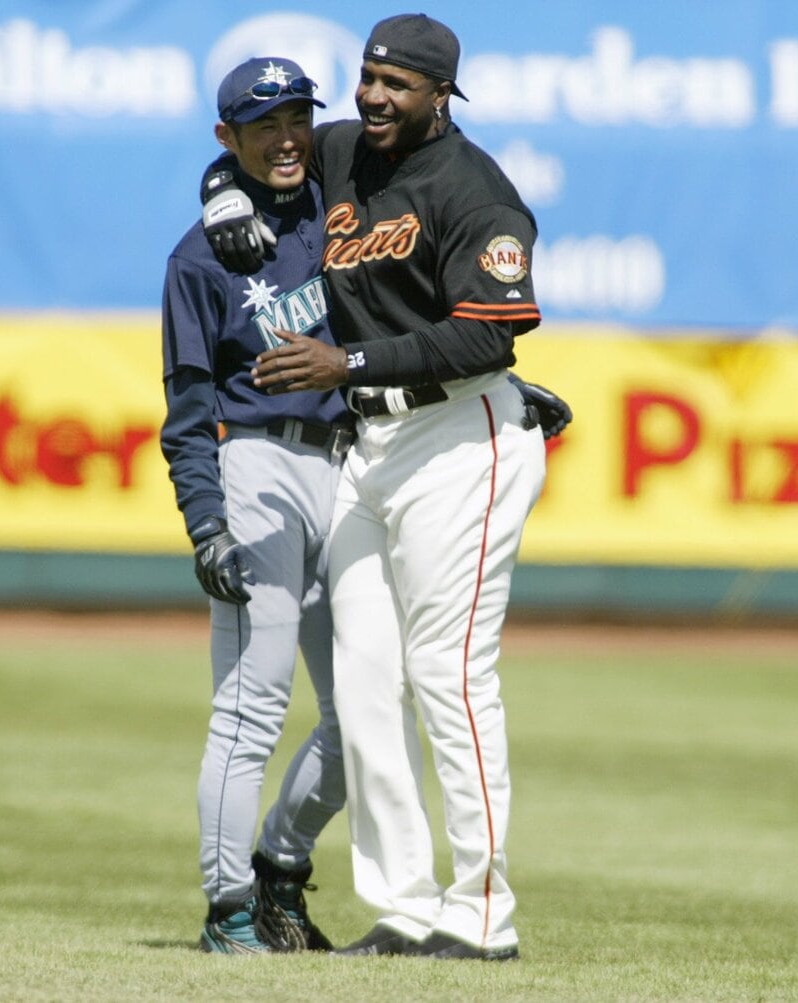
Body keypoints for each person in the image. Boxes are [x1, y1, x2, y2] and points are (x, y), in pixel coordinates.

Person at [199, 14, 570, 962]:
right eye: (368, 78)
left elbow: (491, 331)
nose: (373, 97)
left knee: (450, 674)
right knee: (364, 685)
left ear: (440, 95)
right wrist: (219, 199)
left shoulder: (476, 192)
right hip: (373, 445)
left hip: (460, 435)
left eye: (397, 85)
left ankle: (481, 914)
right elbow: (257, 152)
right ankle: (406, 905)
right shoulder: (345, 150)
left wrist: (344, 360)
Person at [159, 55, 354, 955]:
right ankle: (229, 907)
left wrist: (222, 186)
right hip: (259, 469)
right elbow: (189, 416)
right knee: (252, 704)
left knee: (366, 711)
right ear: (226, 137)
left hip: (351, 468)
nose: (287, 137)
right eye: (263, 121)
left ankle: (280, 865)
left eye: (297, 117)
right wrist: (207, 523)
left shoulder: (335, 200)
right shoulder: (198, 259)